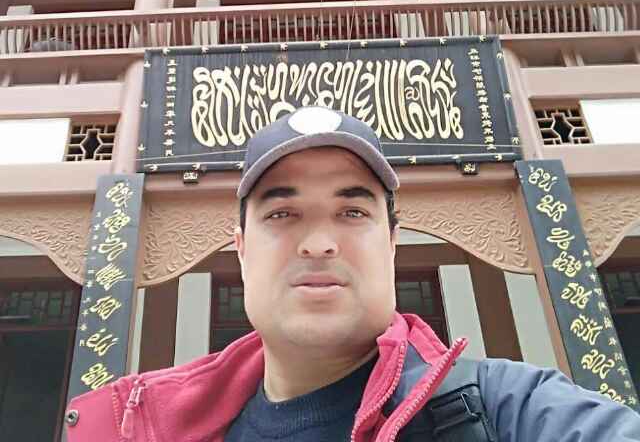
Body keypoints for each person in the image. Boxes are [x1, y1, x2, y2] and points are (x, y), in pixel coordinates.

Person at [65, 106, 640, 442]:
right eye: (282, 214)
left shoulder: (509, 410)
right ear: (240, 249)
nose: (318, 243)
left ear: (391, 242)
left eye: (352, 213)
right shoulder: (144, 426)